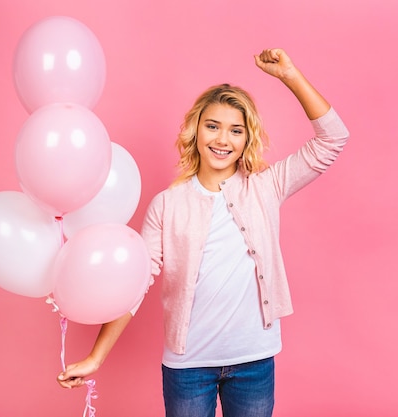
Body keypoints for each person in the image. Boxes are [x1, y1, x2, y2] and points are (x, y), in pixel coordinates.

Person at [58, 48, 350, 417]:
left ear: (247, 139)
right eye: (212, 126)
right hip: (188, 368)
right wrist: (96, 357)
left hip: (254, 362)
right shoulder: (167, 204)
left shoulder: (266, 186)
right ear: (195, 130)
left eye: (236, 130)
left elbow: (333, 139)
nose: (222, 139)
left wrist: (289, 74)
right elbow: (133, 284)